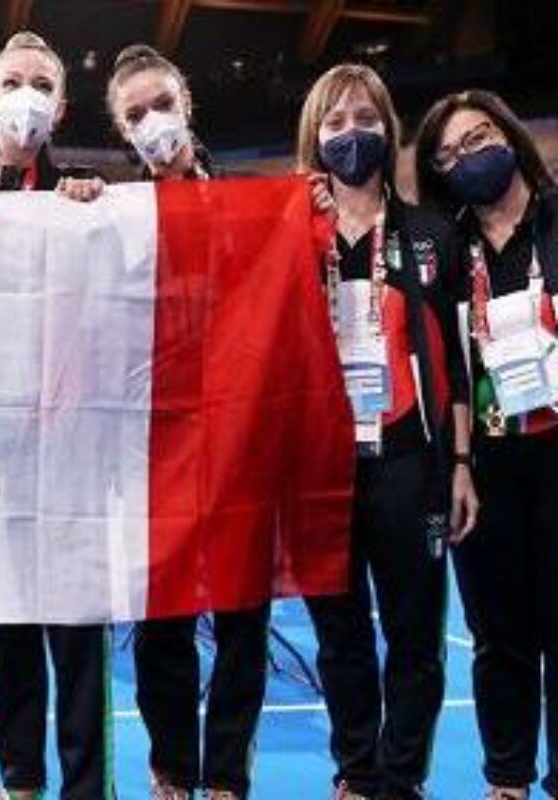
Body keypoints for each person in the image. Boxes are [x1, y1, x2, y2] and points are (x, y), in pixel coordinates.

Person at [0, 31, 110, 800]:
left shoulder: (94, 199)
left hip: (75, 452)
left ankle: (86, 786)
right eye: (12, 82)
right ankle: (20, 779)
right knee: (8, 628)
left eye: (41, 84)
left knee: (78, 633)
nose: (25, 97)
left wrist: (99, 216)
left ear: (61, 108)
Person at [296, 64, 477, 800]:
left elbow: (457, 365)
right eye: (336, 122)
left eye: (366, 119)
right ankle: (356, 773)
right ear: (315, 137)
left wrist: (459, 462)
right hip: (320, 468)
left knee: (414, 637)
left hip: (409, 460)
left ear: (389, 129)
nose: (352, 134)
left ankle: (400, 781)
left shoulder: (431, 234)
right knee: (339, 637)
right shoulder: (293, 236)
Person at [104, 44, 269, 800]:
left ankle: (227, 777)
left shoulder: (255, 206)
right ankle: (172, 768)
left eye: (162, 104)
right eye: (135, 114)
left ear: (187, 104)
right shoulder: (113, 216)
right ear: (121, 130)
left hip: (239, 438)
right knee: (162, 620)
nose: (153, 122)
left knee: (241, 616)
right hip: (154, 443)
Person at [415, 89, 558, 800]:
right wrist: (461, 464)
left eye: (476, 139)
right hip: (488, 461)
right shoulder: (447, 245)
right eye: (447, 154)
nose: (465, 157)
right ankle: (507, 779)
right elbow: (448, 363)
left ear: (508, 133)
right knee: (498, 634)